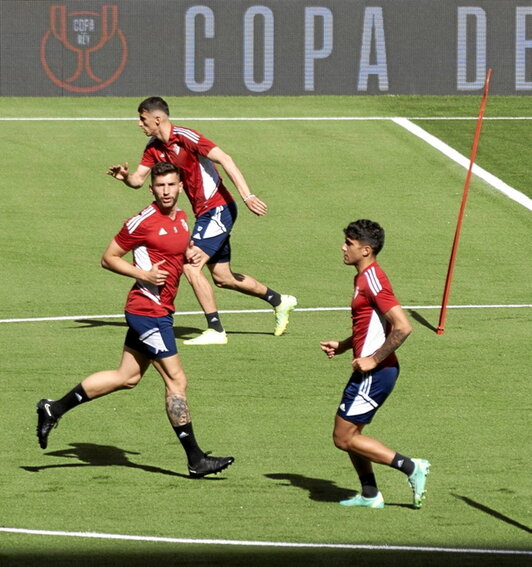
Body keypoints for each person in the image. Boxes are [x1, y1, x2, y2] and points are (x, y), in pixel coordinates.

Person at [36, 163, 234, 479]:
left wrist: (191, 253)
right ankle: (195, 459)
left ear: (180, 186)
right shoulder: (142, 222)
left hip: (162, 310)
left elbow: (175, 252)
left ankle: (53, 409)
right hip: (147, 312)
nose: (166, 191)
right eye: (160, 186)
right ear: (152, 188)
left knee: (126, 377)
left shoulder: (182, 219)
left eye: (171, 185)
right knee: (176, 380)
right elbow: (108, 258)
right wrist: (143, 274)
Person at [107, 96, 297, 345]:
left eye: (142, 119)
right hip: (205, 214)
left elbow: (226, 159)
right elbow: (138, 181)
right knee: (223, 277)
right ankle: (279, 300)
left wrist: (247, 195)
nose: (139, 124)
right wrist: (125, 177)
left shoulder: (187, 137)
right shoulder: (154, 148)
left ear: (157, 118)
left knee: (190, 264)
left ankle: (216, 330)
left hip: (219, 209)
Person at [320, 219, 430, 509]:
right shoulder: (362, 277)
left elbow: (403, 327)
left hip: (377, 373)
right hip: (369, 370)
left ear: (366, 250)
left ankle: (410, 467)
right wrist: (344, 346)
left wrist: (373, 359)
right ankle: (370, 494)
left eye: (350, 244)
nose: (343, 248)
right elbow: (373, 325)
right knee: (352, 434)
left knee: (342, 438)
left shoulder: (373, 281)